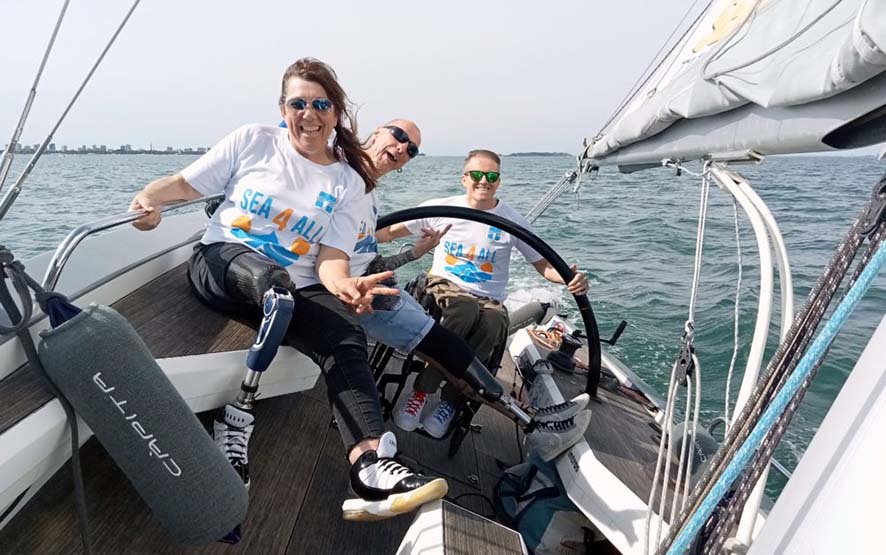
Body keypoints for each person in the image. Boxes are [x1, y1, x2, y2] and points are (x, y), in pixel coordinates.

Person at [128, 58, 446, 522]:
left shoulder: (348, 181)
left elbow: (331, 260)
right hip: (223, 263)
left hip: (291, 286)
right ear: (283, 109)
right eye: (298, 103)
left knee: (345, 335)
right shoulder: (254, 140)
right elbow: (182, 184)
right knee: (273, 285)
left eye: (320, 105)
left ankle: (370, 466)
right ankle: (239, 416)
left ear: (336, 113)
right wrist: (147, 200)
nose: (308, 114)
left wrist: (344, 287)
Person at [376, 149, 589, 438]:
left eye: (491, 176)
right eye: (476, 174)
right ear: (464, 178)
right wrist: (357, 233)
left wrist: (568, 279)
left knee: (494, 321)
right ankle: (422, 392)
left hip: (488, 299)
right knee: (463, 309)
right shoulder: (440, 208)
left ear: (499, 181)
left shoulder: (511, 221)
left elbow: (542, 264)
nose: (484, 181)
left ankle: (450, 402)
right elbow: (388, 232)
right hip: (444, 285)